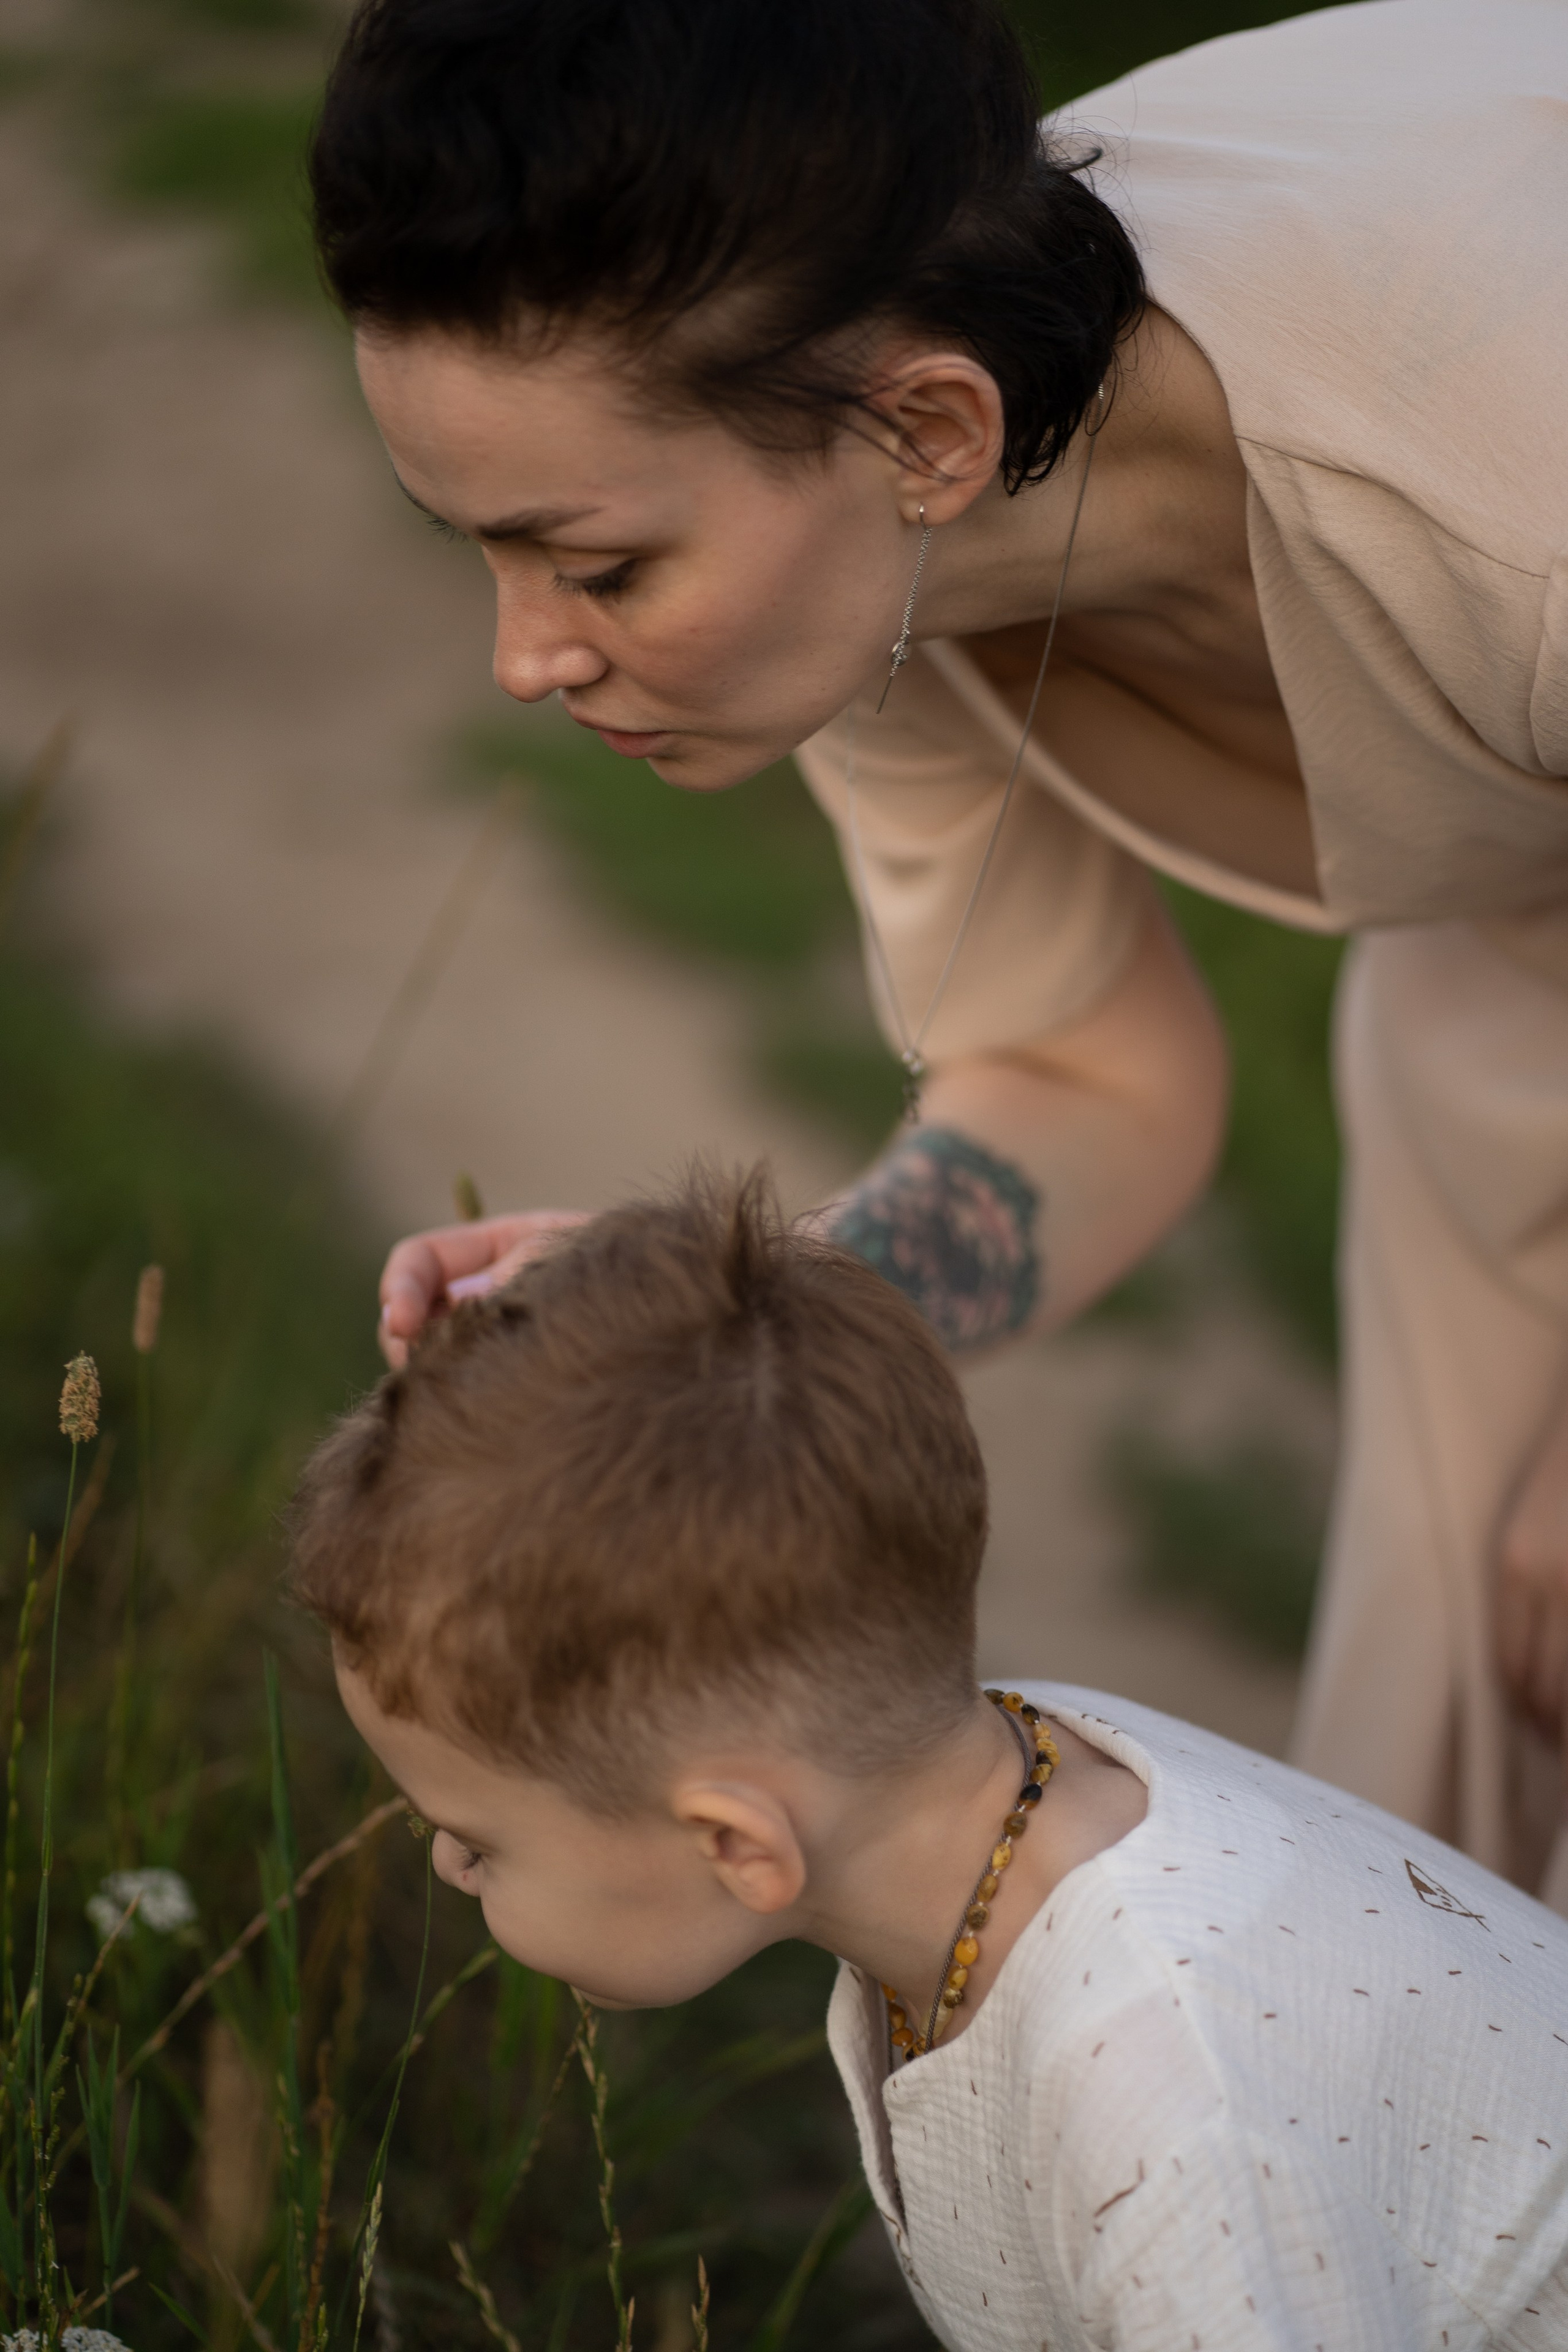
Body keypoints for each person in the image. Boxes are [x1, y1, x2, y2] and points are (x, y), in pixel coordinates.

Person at [307, 0, 1568, 1902]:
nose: (527, 657)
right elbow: (1079, 1075)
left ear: (930, 428)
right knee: (1453, 1792)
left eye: (602, 565)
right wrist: (738, 1339)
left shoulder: (1507, 464)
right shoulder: (873, 551)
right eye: (479, 550)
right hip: (1512, 978)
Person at [289, 1169, 1568, 2351]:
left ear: (736, 1843)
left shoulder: (1178, 2127)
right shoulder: (997, 1770)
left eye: (478, 1836)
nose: (447, 1863)